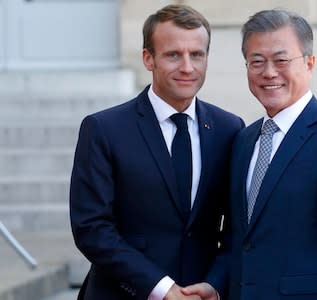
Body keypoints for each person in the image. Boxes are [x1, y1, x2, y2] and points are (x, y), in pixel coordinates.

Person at [183, 8, 317, 300]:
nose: (269, 72)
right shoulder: (245, 140)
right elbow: (240, 239)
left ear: (309, 63)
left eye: (281, 60)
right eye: (257, 61)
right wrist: (215, 284)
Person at [70, 4, 244, 300]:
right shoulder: (103, 129)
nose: (188, 67)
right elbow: (91, 228)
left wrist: (215, 283)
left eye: (197, 55)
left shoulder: (230, 129)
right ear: (148, 58)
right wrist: (160, 288)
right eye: (173, 55)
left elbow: (236, 228)